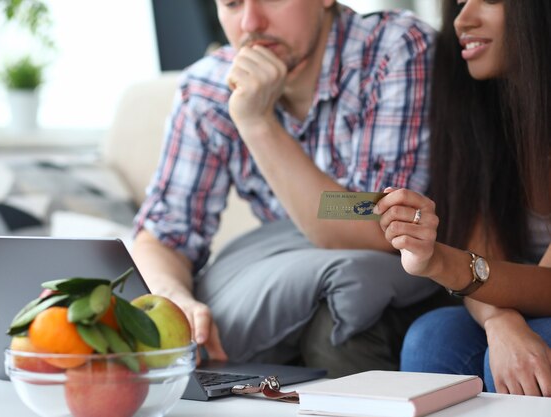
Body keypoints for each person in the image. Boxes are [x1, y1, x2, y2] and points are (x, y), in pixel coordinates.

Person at [132, 0, 448, 376]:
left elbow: (385, 221)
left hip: (406, 277)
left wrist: (257, 124)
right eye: (232, 4)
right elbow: (163, 236)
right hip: (294, 281)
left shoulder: (396, 49)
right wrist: (173, 298)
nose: (251, 22)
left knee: (337, 326)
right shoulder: (207, 87)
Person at [375, 0, 551, 397]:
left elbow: (547, 286)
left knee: (522, 349)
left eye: (488, 0)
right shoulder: (478, 110)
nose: (461, 19)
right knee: (430, 337)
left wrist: (438, 260)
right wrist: (500, 320)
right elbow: (482, 252)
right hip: (514, 299)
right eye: (458, 1)